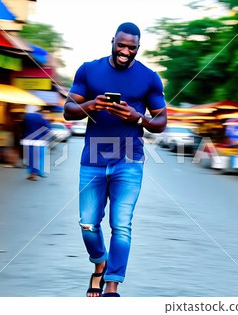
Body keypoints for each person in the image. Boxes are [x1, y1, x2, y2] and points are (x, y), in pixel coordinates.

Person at [63, 22, 167, 297]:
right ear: (112, 41)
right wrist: (90, 106)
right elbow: (68, 111)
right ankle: (100, 263)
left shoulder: (149, 77)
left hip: (129, 160)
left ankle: (112, 283)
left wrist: (138, 118)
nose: (125, 51)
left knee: (121, 224)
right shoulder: (89, 70)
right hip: (93, 157)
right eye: (121, 45)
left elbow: (161, 121)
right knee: (87, 223)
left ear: (138, 48)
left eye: (131, 47)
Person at [21, 108, 51, 180]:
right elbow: (47, 129)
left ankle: (31, 173)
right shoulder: (42, 117)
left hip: (27, 140)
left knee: (30, 158)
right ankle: (35, 174)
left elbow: (23, 127)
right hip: (39, 141)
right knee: (38, 158)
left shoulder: (26, 116)